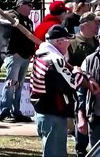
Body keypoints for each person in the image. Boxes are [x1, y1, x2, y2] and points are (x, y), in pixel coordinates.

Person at [31, 25, 100, 157]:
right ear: (59, 42)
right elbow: (73, 84)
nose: (69, 43)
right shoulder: (54, 60)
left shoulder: (42, 53)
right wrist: (78, 72)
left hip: (44, 110)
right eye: (67, 40)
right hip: (53, 112)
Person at [67, 12, 100, 157]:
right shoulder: (72, 43)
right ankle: (80, 147)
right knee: (81, 117)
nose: (97, 26)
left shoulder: (96, 42)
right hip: (79, 86)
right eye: (95, 23)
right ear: (85, 24)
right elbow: (66, 64)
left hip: (93, 89)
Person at [0, 0, 35, 123]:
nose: (31, 8)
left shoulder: (29, 21)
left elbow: (31, 37)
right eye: (29, 5)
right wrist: (13, 52)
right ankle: (5, 111)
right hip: (14, 55)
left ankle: (16, 111)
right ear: (21, 5)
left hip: (25, 57)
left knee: (19, 86)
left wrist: (31, 53)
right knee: (11, 84)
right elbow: (5, 33)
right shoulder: (11, 16)